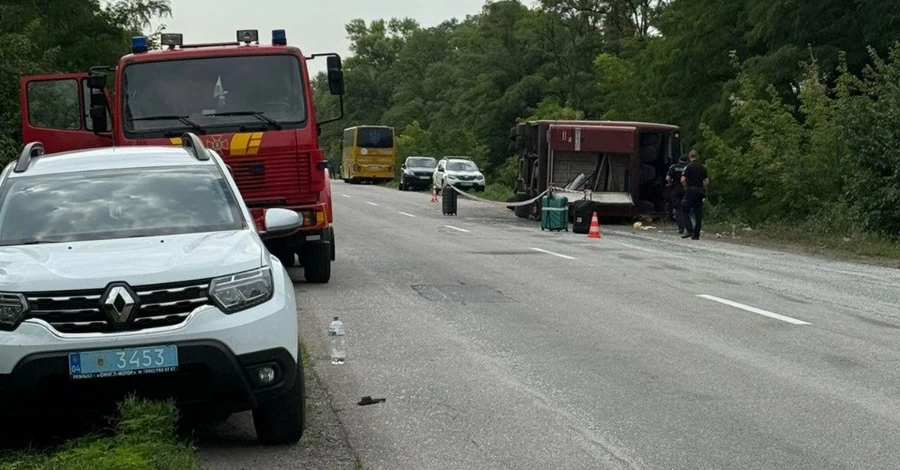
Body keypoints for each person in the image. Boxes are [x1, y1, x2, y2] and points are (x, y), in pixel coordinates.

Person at [681, 150, 709, 240]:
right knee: (698, 213)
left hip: (691, 190)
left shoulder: (688, 167)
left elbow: (683, 179)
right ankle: (696, 234)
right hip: (700, 191)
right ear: (697, 156)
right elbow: (706, 181)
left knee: (685, 209)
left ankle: (689, 230)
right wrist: (704, 190)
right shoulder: (702, 167)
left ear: (690, 157)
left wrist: (685, 188)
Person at [666, 154, 689, 234]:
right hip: (686, 190)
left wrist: (670, 183)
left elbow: (668, 178)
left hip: (675, 190)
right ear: (687, 161)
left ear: (679, 159)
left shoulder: (674, 167)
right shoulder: (688, 167)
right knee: (686, 209)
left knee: (678, 209)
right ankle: (688, 226)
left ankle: (680, 227)